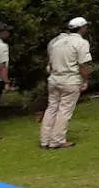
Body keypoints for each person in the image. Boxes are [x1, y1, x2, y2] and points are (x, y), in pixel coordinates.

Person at [39, 17, 92, 150]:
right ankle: (57, 140)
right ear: (82, 28)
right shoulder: (81, 43)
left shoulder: (58, 42)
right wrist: (85, 80)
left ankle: (45, 139)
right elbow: (83, 64)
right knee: (64, 111)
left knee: (51, 108)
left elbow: (50, 63)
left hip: (54, 78)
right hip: (70, 79)